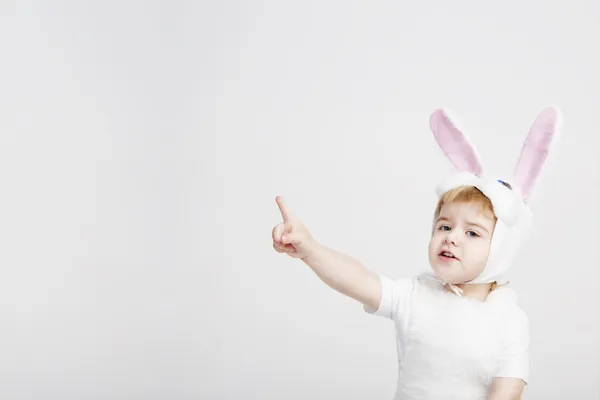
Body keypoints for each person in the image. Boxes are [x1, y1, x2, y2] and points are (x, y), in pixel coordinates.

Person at [271, 107, 561, 400]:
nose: (452, 238)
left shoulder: (509, 320)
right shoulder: (415, 296)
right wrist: (309, 249)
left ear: (501, 248)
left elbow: (506, 393)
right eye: (444, 226)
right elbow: (357, 279)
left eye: (472, 233)